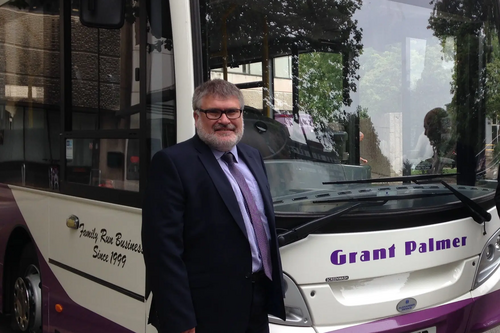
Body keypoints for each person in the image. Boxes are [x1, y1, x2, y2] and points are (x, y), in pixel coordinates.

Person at [142, 79, 286, 333]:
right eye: (213, 112)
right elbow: (162, 251)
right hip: (204, 311)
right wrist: (181, 320)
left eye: (232, 111)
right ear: (197, 116)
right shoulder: (172, 163)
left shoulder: (252, 157)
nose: (224, 119)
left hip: (257, 301)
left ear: (241, 114)